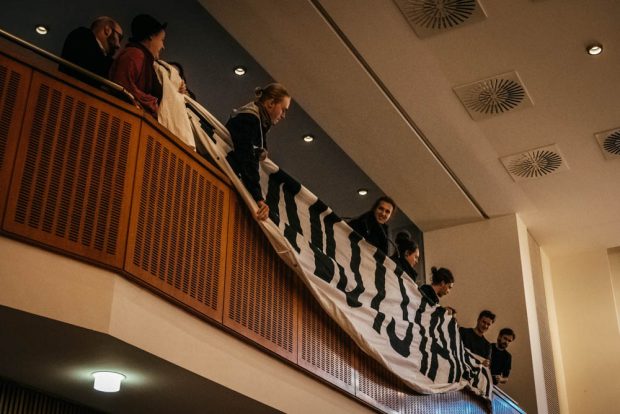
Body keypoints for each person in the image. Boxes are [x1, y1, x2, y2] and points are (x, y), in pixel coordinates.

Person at [226, 83, 291, 221]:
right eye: (283, 110)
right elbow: (247, 159)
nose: (284, 116)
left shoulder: (257, 122)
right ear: (271, 103)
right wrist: (258, 198)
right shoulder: (250, 120)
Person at [109, 14, 167, 116]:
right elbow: (122, 86)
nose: (163, 46)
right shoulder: (135, 54)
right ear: (151, 36)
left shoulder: (145, 60)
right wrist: (152, 103)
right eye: (162, 40)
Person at [60, 16, 123, 85]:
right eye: (119, 37)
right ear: (107, 30)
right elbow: (94, 63)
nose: (118, 45)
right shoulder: (82, 35)